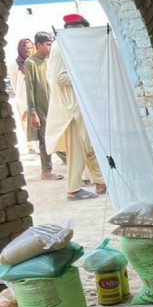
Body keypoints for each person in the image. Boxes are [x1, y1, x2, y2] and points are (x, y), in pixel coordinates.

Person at [45, 14, 105, 200]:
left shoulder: (68, 45)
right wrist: (86, 75)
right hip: (69, 108)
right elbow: (59, 78)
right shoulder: (60, 47)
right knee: (77, 150)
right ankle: (73, 188)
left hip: (79, 105)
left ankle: (101, 182)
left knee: (89, 145)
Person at [24, 32, 63, 181]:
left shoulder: (49, 61)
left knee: (57, 135)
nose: (50, 47)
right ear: (38, 45)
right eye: (47, 44)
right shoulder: (31, 62)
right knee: (46, 140)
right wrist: (33, 112)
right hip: (40, 109)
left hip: (53, 106)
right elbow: (30, 89)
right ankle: (46, 171)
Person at [10, 38, 37, 154]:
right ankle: (31, 145)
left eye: (31, 47)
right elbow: (14, 83)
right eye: (26, 48)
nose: (29, 50)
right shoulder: (14, 65)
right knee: (26, 122)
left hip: (36, 95)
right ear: (21, 49)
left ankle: (40, 143)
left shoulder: (35, 61)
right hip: (22, 97)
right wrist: (20, 96)